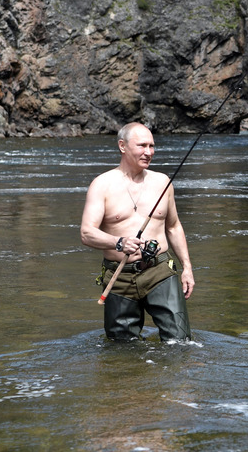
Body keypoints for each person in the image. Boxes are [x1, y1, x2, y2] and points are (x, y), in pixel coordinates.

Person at [81, 122, 195, 342]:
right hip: (118, 276)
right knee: (122, 348)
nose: (149, 152)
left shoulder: (163, 183)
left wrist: (187, 268)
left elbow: (173, 226)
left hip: (159, 271)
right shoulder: (102, 185)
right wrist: (118, 242)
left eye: (152, 146)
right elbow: (87, 233)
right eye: (142, 145)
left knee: (179, 342)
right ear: (122, 146)